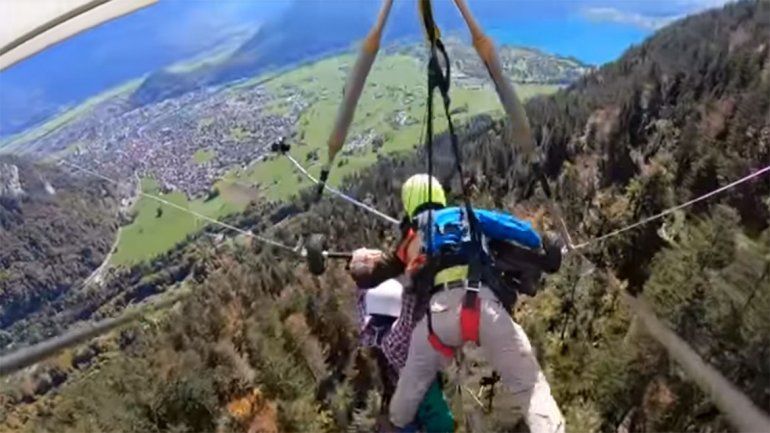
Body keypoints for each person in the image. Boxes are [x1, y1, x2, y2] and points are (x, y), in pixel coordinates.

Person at [386, 174, 566, 433]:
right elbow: (513, 228)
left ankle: (398, 422)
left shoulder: (410, 242)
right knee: (530, 386)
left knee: (412, 388)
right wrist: (541, 244)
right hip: (481, 307)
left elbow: (393, 269)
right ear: (438, 195)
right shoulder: (463, 215)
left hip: (436, 323)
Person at [349, 238, 454, 431]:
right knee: (442, 425)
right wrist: (415, 266)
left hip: (401, 388)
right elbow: (409, 302)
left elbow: (363, 296)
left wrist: (362, 263)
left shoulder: (369, 331)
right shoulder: (398, 337)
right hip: (423, 390)